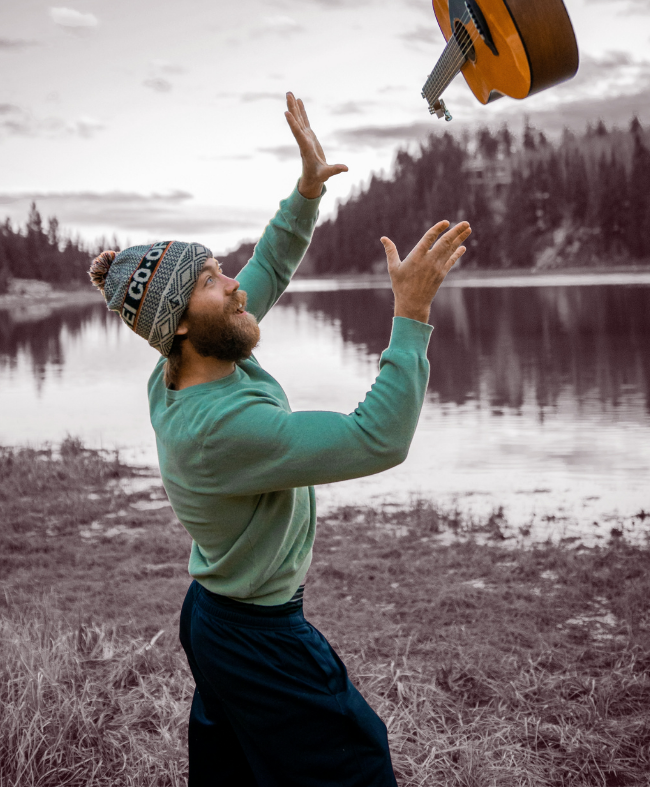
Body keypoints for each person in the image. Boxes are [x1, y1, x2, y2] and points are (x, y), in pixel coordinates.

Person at [89, 92, 471, 787]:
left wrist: (304, 192)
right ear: (178, 322)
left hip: (215, 618)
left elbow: (263, 270)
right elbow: (377, 438)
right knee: (356, 765)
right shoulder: (219, 430)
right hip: (257, 638)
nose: (233, 287)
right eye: (211, 282)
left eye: (217, 268)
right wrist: (411, 313)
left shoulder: (195, 352)